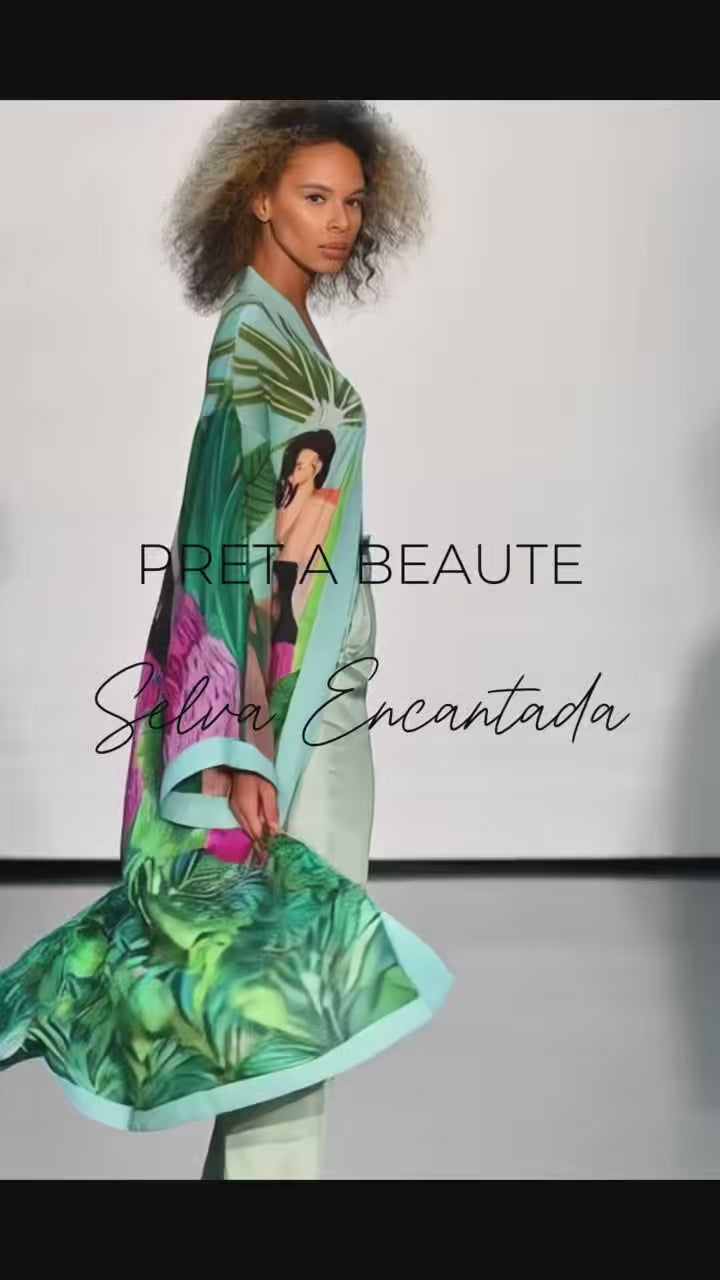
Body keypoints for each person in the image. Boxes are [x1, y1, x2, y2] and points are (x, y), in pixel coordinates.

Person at [0, 99, 454, 1180]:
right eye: (315, 197)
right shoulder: (254, 342)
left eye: (353, 202)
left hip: (306, 693)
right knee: (292, 993)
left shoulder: (280, 327)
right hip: (284, 715)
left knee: (274, 987)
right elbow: (221, 537)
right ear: (256, 196)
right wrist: (238, 742)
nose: (339, 221)